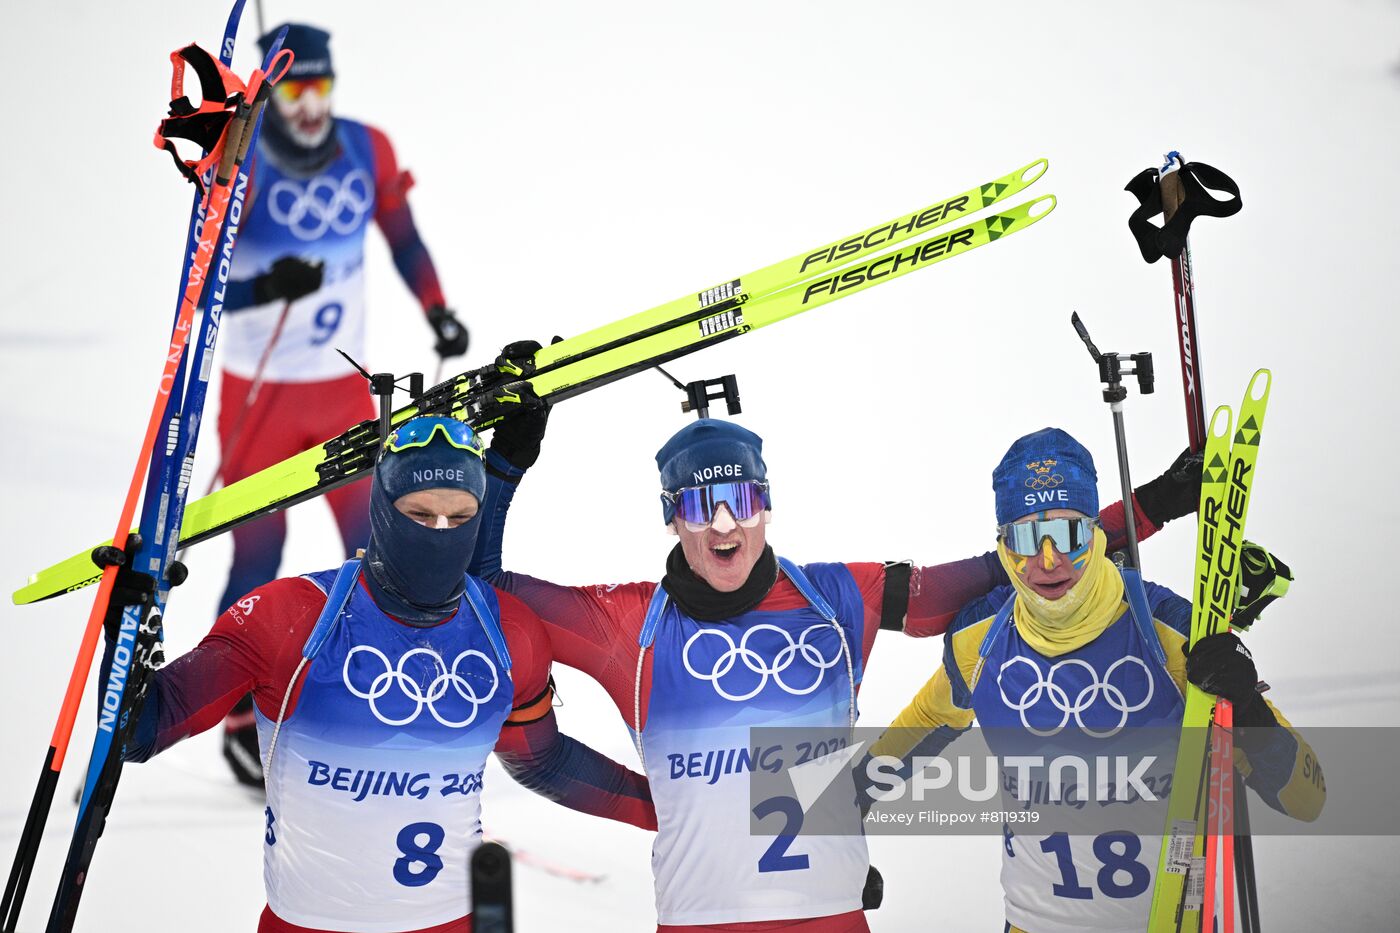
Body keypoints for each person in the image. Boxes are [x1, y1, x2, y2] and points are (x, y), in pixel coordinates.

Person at [467, 388, 1203, 932]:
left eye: (740, 499)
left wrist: (1155, 502)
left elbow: (1011, 563)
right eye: (698, 506)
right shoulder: (626, 624)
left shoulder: (840, 597)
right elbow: (485, 592)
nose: (723, 524)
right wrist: (502, 466)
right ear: (670, 515)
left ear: (765, 503)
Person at [100, 416, 654, 933]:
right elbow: (138, 730)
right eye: (420, 514)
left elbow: (545, 762)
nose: (441, 532)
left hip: (449, 921)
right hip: (306, 923)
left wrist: (675, 812)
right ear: (383, 510)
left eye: (460, 518)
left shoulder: (509, 631)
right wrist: (125, 629)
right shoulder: (291, 616)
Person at [871, 427, 1324, 932]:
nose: (1047, 561)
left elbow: (1306, 800)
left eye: (1068, 534)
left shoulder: (1172, 634)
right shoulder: (980, 640)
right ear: (1001, 547)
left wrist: (1247, 705)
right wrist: (834, 815)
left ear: (1097, 533)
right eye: (1025, 537)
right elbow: (928, 720)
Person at [216, 23, 470, 787]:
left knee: (377, 543)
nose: (310, 106)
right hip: (258, 397)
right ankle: (233, 714)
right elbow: (198, 290)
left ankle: (375, 692)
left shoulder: (367, 149)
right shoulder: (239, 158)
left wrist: (437, 308)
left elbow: (401, 232)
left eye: (321, 87)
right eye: (294, 89)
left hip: (341, 394)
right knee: (259, 553)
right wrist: (265, 287)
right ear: (269, 88)